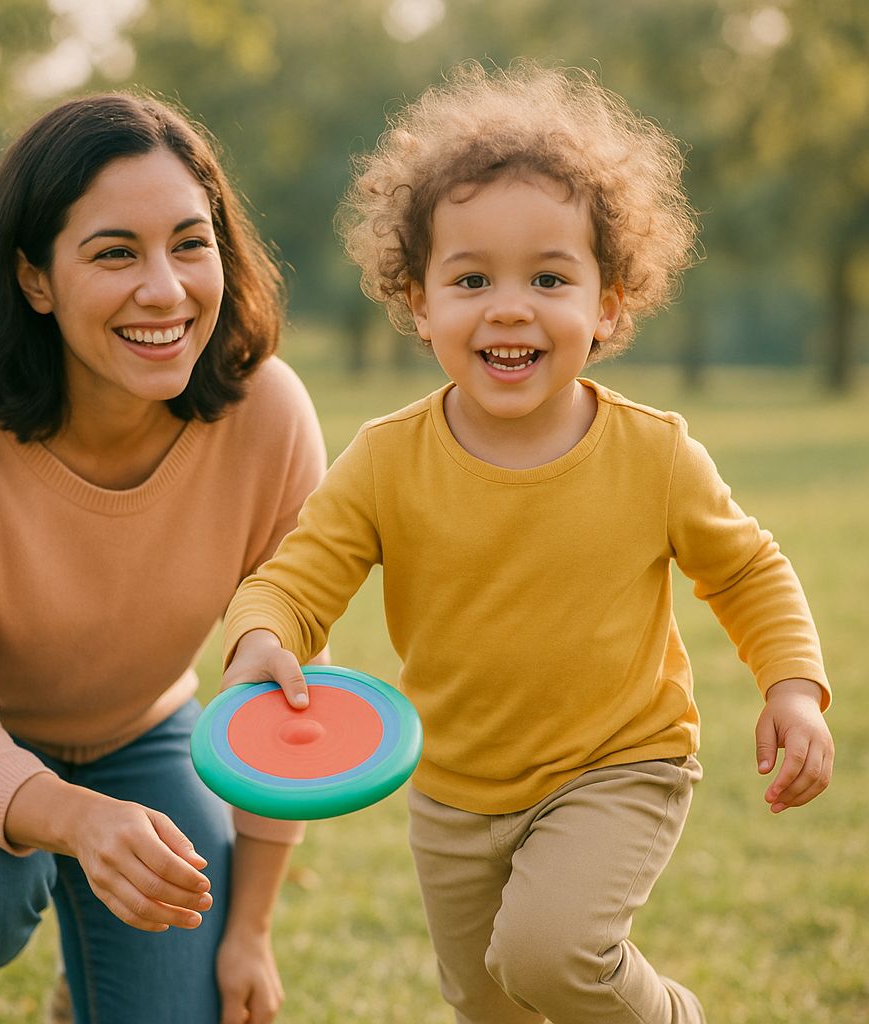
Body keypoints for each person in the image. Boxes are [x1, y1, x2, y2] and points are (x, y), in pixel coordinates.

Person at [220, 62, 834, 1024]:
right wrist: (263, 635)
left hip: (617, 764)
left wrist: (793, 686)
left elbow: (749, 570)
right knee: (488, 1000)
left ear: (609, 304)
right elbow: (294, 581)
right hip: (454, 789)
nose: (509, 306)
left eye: (550, 278)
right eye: (471, 280)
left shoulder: (654, 455)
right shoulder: (386, 461)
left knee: (551, 955)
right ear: (420, 305)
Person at [0, 92, 327, 1024]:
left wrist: (250, 930)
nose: (166, 289)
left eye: (192, 244)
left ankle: (92, 982)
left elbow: (283, 701)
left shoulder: (268, 415)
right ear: (35, 279)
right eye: (115, 253)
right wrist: (77, 821)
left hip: (134, 734)